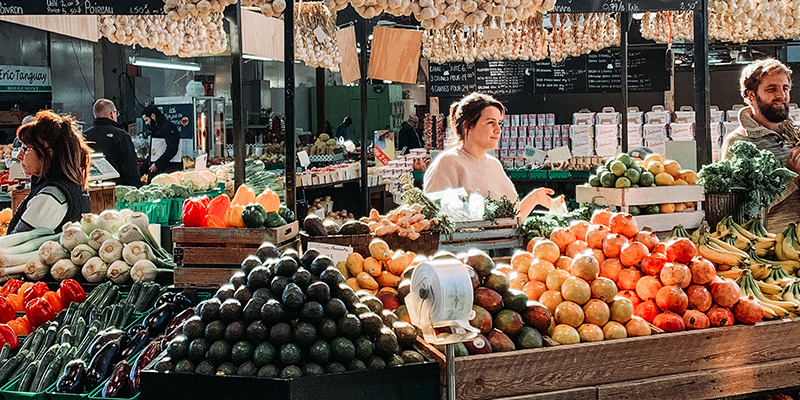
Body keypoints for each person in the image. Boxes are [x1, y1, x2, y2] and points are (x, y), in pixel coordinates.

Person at [424, 93, 553, 216]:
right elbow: (436, 222)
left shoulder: (494, 165)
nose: (498, 130)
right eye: (491, 123)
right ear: (468, 126)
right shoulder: (447, 164)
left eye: (499, 123)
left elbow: (513, 219)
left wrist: (535, 198)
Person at [721, 59, 800, 231]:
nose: (781, 95)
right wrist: (792, 176)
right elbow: (743, 210)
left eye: (785, 88)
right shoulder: (739, 143)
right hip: (774, 248)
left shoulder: (796, 135)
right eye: (771, 89)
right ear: (751, 95)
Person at [8, 110, 91, 234]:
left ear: (48, 154)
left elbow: (16, 241)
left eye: (25, 149)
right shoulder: (64, 186)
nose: (19, 155)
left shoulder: (51, 196)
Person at [83, 99, 141, 187]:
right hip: (117, 187)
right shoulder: (121, 136)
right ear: (112, 114)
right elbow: (130, 167)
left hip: (91, 188)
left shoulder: (84, 136)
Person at [141, 104, 181, 178]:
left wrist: (157, 164)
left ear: (153, 116)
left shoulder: (168, 127)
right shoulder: (156, 129)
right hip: (158, 170)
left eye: (147, 120)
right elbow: (152, 154)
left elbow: (172, 148)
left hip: (167, 171)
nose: (146, 123)